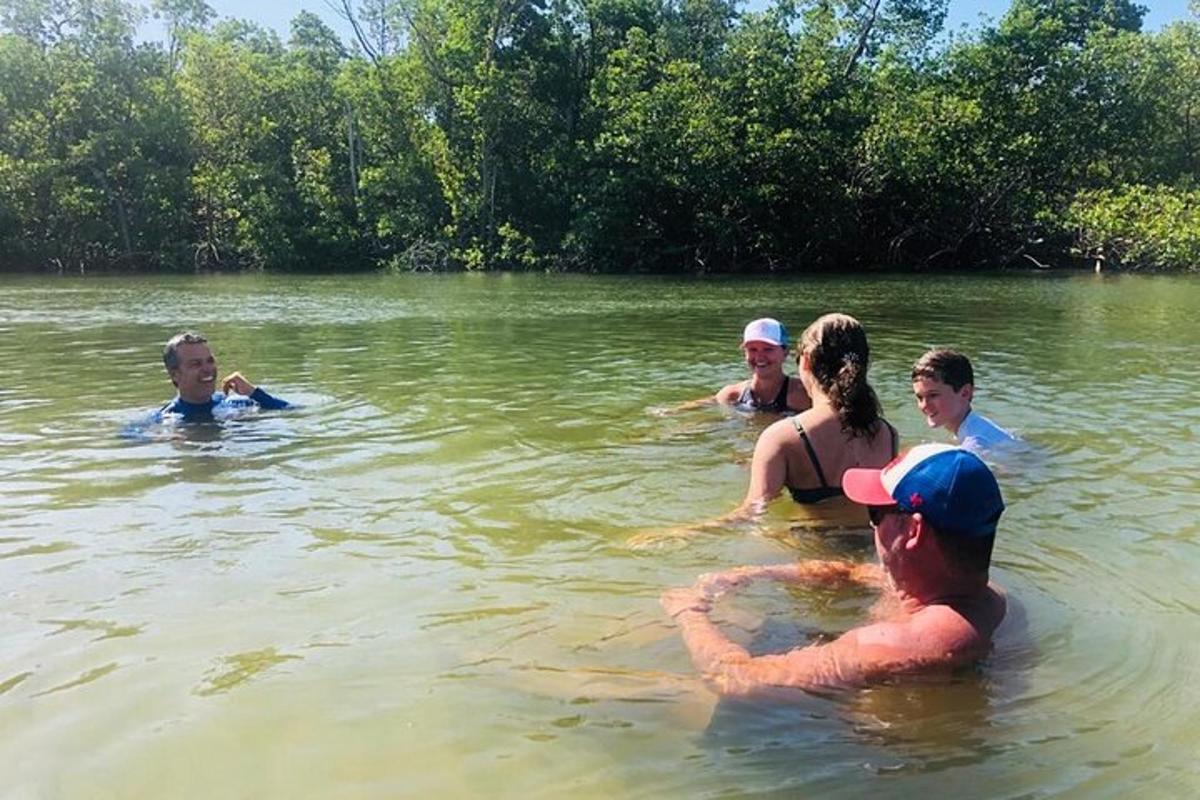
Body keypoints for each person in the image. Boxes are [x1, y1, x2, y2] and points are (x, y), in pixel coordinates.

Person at [661, 443, 1007, 694]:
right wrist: (757, 573)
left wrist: (688, 612)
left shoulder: (895, 645)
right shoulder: (988, 600)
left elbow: (738, 678)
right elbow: (853, 572)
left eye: (875, 513)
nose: (871, 525)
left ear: (913, 531)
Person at [628, 313, 897, 547]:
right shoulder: (886, 432)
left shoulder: (783, 437)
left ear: (803, 362)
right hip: (876, 552)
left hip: (813, 554)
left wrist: (681, 533)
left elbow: (752, 513)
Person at [665, 318, 811, 415]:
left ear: (785, 352)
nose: (759, 357)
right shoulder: (733, 394)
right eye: (752, 350)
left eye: (768, 349)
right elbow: (712, 401)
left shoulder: (803, 395)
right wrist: (674, 411)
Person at [157, 331, 290, 421]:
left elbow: (291, 411)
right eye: (196, 364)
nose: (207, 369)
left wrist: (253, 392)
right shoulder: (168, 419)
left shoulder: (234, 403)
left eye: (210, 361)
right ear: (175, 374)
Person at [912, 349, 1017, 455]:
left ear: (965, 393)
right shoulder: (977, 427)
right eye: (920, 397)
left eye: (933, 395)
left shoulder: (975, 447)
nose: (924, 405)